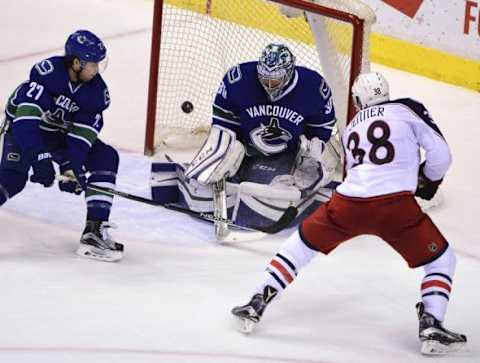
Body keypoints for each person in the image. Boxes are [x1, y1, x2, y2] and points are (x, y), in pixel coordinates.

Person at [231, 72, 467, 355]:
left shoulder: (352, 127)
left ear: (358, 100)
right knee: (441, 259)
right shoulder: (407, 108)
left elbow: (355, 171)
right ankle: (431, 322)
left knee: (301, 244)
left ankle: (258, 299)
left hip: (348, 202)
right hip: (395, 206)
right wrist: (428, 181)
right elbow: (441, 155)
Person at [152, 43, 339, 235]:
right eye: (264, 78)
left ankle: (296, 188)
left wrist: (308, 158)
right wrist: (223, 153)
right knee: (224, 147)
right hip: (247, 148)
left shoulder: (314, 87)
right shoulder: (238, 80)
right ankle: (207, 179)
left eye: (274, 81)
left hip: (288, 152)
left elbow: (321, 131)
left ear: (289, 73)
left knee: (321, 153)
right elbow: (223, 124)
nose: (268, 85)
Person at [0, 30, 123, 262]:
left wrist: (70, 168)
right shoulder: (48, 75)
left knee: (105, 157)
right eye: (92, 64)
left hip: (58, 138)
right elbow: (25, 123)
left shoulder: (96, 93)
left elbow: (79, 140)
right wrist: (40, 158)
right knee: (12, 180)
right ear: (77, 63)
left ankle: (93, 232)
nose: (97, 70)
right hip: (25, 132)